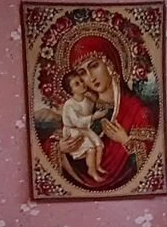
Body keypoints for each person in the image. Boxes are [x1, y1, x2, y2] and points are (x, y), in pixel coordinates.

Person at [48, 34, 158, 191]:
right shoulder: (84, 106)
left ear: (110, 64)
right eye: (82, 72)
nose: (90, 77)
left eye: (94, 66)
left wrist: (126, 141)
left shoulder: (137, 111)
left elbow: (151, 163)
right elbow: (53, 143)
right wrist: (60, 147)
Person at [57, 73, 110, 182]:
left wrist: (95, 100)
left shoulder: (87, 99)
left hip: (85, 129)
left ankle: (98, 166)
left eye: (81, 81)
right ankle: (92, 171)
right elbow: (77, 122)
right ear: (71, 90)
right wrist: (94, 117)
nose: (82, 84)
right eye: (77, 84)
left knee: (99, 145)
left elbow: (93, 106)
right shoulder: (69, 104)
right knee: (91, 148)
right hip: (74, 131)